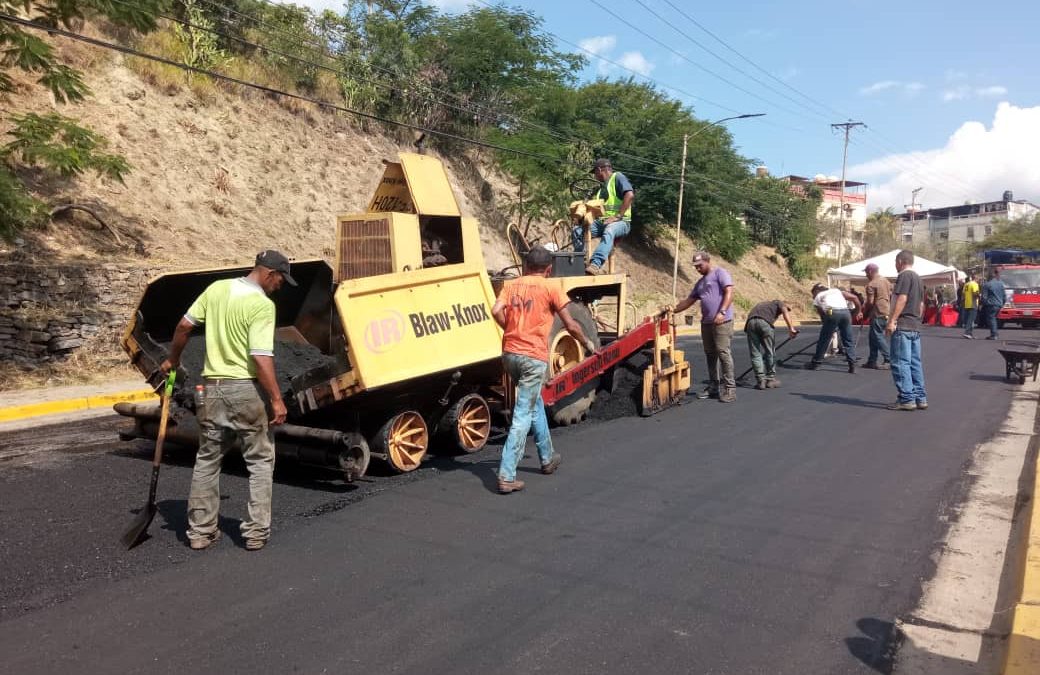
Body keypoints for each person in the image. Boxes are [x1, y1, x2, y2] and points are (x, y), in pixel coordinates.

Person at [161, 250, 295, 551]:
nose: (280, 286)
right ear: (268, 273)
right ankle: (256, 533)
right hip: (245, 390)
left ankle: (200, 532)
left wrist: (173, 359)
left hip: (211, 390)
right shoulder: (262, 304)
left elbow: (184, 326)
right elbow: (260, 356)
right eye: (280, 280)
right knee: (260, 461)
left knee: (207, 459)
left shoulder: (217, 289)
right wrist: (276, 399)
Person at [492, 245, 597, 495]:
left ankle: (547, 457)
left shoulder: (511, 285)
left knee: (534, 402)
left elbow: (496, 310)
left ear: (526, 266)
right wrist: (588, 344)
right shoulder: (551, 287)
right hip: (532, 357)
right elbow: (571, 324)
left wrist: (510, 330)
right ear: (548, 269)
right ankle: (506, 475)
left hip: (510, 354)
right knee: (522, 415)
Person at [672, 251, 736, 402]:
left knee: (723, 353)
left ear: (708, 261)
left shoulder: (720, 273)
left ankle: (730, 388)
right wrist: (671, 310)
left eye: (700, 265)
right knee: (710, 354)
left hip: (722, 321)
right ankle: (714, 385)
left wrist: (722, 312)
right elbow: (689, 301)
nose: (697, 269)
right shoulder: (700, 283)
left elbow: (729, 292)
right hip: (706, 323)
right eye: (695, 266)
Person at [572, 158, 633, 275]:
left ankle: (595, 264)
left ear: (599, 170)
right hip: (602, 222)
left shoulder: (617, 177)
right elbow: (596, 210)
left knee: (610, 230)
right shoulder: (600, 190)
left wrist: (618, 216)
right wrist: (581, 219)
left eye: (595, 173)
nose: (595, 176)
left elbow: (629, 195)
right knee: (578, 230)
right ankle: (580, 262)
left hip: (622, 222)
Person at [885, 249, 927, 410]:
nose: (895, 266)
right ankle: (920, 398)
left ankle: (907, 399)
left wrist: (892, 320)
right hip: (914, 325)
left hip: (903, 325)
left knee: (900, 362)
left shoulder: (904, 276)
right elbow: (921, 304)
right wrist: (917, 320)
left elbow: (902, 298)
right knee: (915, 363)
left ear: (900, 262)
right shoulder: (918, 278)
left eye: (895, 263)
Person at [806, 283, 861, 373]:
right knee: (848, 339)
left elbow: (823, 314)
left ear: (817, 291)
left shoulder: (818, 296)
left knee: (824, 339)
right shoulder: (836, 291)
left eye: (813, 293)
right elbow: (855, 298)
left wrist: (829, 326)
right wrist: (858, 311)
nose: (813, 296)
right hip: (845, 312)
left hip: (831, 311)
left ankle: (816, 363)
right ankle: (852, 365)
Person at [744, 300, 798, 389]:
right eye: (788, 309)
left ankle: (760, 380)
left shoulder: (764, 304)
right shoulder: (779, 303)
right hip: (764, 323)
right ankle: (770, 379)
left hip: (750, 323)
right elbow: (785, 312)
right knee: (770, 352)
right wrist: (791, 329)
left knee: (755, 353)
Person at [862, 263, 892, 369]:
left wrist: (865, 313)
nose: (866, 275)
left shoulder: (871, 285)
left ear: (870, 271)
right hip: (887, 311)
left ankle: (888, 359)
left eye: (866, 272)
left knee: (878, 336)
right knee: (872, 337)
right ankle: (872, 360)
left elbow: (870, 302)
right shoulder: (886, 281)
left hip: (877, 313)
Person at [981, 270, 1007, 340]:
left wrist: (984, 304)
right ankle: (995, 333)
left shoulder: (987, 285)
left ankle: (994, 334)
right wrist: (1002, 303)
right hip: (999, 304)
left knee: (991, 318)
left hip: (991, 304)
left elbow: (984, 297)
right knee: (994, 318)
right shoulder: (1001, 284)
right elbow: (1004, 296)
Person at [961, 272, 981, 339]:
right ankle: (967, 332)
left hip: (967, 304)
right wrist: (979, 295)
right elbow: (975, 293)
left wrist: (963, 303)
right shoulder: (975, 284)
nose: (978, 280)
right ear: (976, 278)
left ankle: (970, 334)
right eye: (978, 279)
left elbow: (963, 295)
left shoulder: (966, 284)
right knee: (971, 319)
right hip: (973, 304)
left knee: (969, 319)